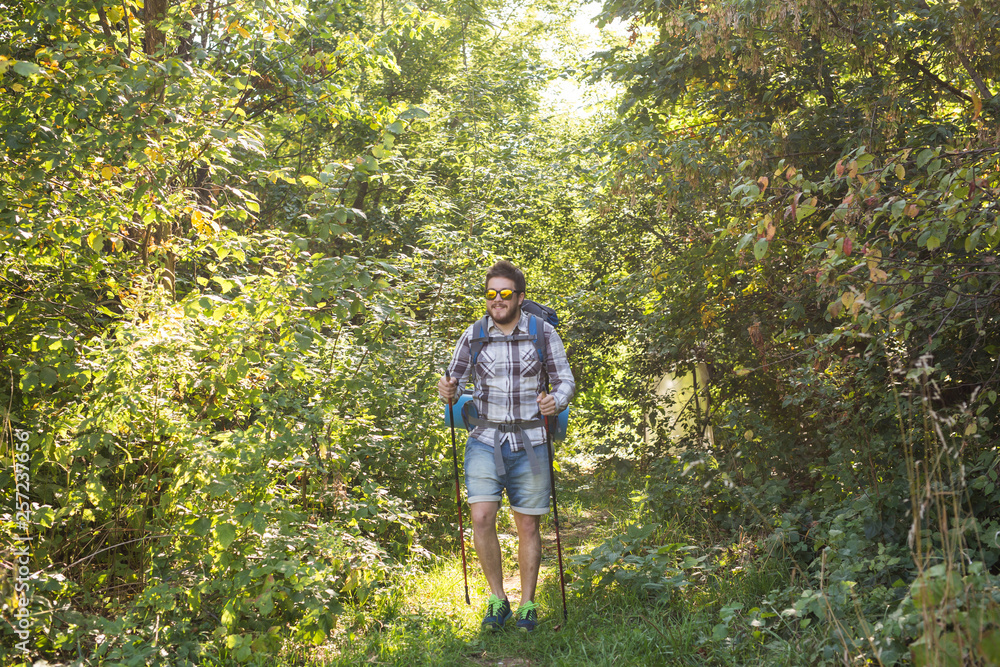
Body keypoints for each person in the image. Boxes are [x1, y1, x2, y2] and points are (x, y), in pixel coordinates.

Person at [438, 260, 575, 633]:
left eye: (505, 294)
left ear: (520, 297)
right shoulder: (474, 335)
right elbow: (454, 381)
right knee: (481, 517)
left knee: (527, 525)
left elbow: (566, 381)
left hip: (530, 441)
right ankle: (498, 600)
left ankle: (528, 604)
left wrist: (555, 401)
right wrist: (448, 390)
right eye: (491, 293)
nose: (497, 300)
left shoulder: (543, 334)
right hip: (484, 438)